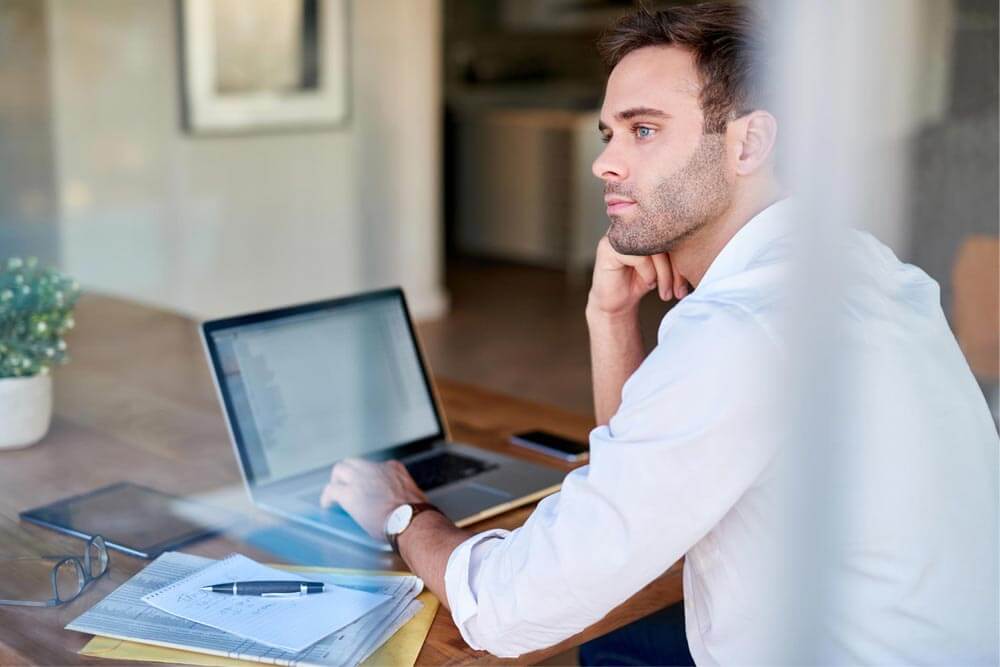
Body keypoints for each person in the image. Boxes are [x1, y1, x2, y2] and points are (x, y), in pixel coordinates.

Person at [320, 3, 999, 664]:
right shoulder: (853, 262)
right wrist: (610, 318)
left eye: (643, 130)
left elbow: (508, 609)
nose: (605, 164)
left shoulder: (741, 331)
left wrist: (404, 514)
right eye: (608, 134)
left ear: (748, 142)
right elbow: (645, 483)